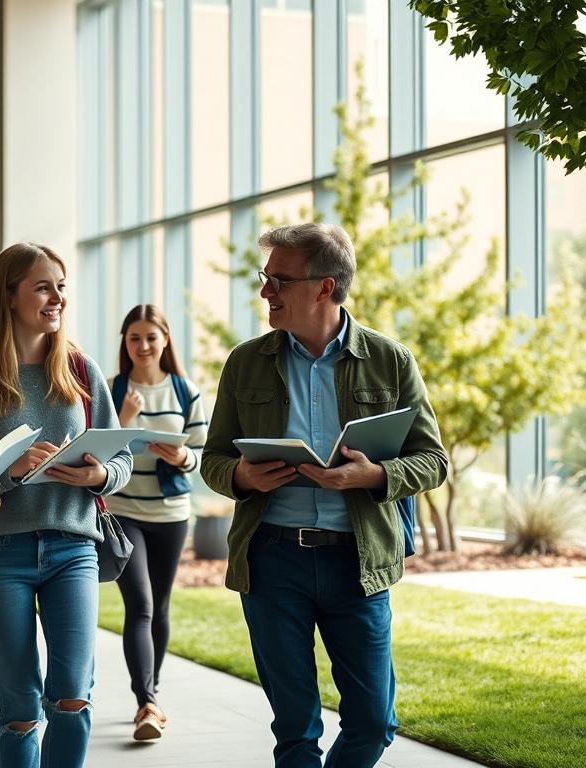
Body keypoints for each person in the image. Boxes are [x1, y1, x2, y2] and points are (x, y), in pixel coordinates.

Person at [200, 223, 448, 768]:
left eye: (279, 281)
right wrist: (242, 477)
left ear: (324, 287)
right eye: (265, 280)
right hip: (272, 561)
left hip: (357, 563)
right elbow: (212, 461)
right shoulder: (245, 362)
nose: (266, 292)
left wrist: (374, 477)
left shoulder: (390, 361)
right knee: (294, 728)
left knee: (374, 722)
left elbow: (434, 461)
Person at [0, 243, 133, 768]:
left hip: (74, 548)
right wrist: (9, 472)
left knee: (72, 692)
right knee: (18, 703)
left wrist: (101, 473)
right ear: (9, 295)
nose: (57, 297)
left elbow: (121, 456)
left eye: (61, 286)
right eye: (43, 286)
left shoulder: (82, 370)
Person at [105, 304, 209, 741]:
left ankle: (152, 692)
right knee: (141, 605)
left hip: (171, 514)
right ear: (125, 344)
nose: (143, 346)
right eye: (134, 338)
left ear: (165, 339)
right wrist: (124, 421)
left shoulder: (186, 392)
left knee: (161, 606)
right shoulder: (112, 390)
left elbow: (203, 454)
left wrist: (183, 456)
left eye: (151, 337)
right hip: (124, 512)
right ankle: (146, 700)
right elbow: (95, 451)